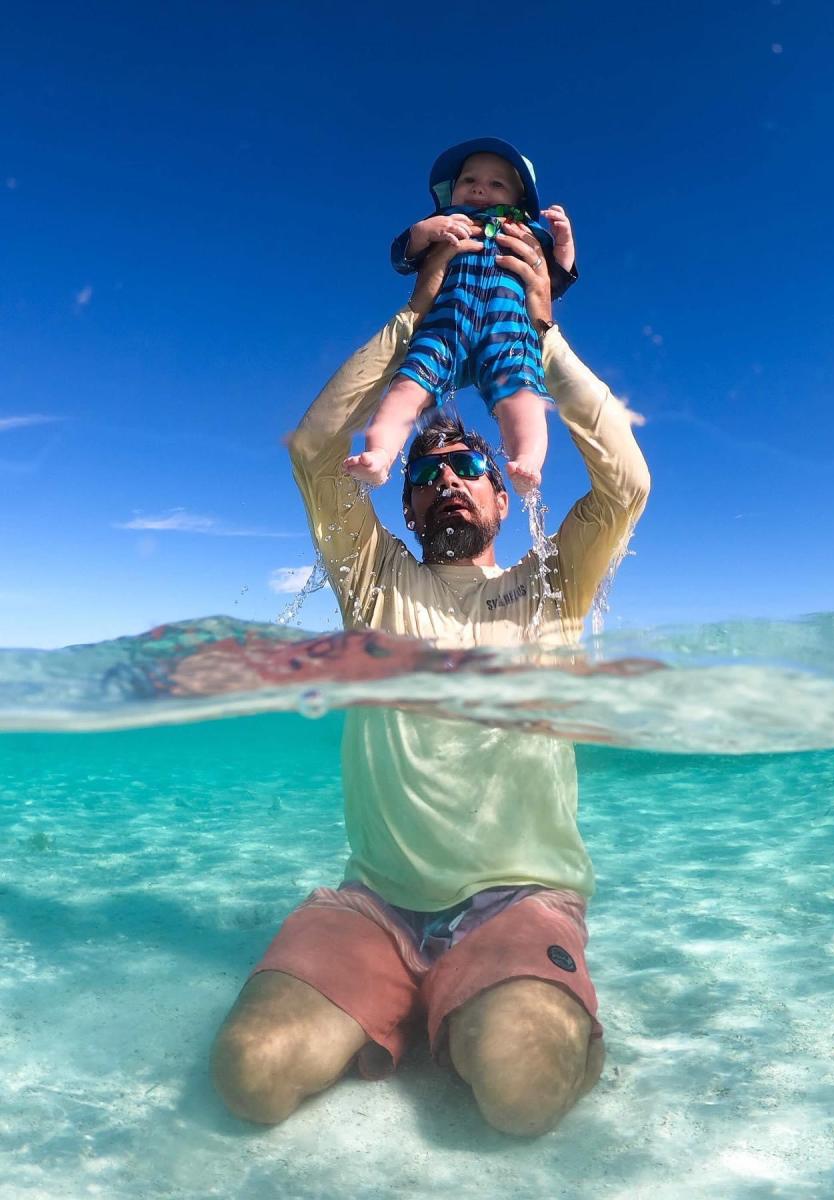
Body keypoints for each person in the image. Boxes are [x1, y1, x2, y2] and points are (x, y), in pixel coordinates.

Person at [210, 226, 651, 1138]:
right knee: (248, 1075)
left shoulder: (554, 580)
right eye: (427, 472)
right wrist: (415, 314)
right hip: (374, 899)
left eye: (468, 466)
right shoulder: (375, 581)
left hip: (520, 896)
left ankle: (466, 1003)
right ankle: (412, 1001)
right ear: (406, 505)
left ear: (501, 494)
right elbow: (314, 447)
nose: (448, 478)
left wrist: (543, 337)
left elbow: (624, 490)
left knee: (524, 1089)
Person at [343, 137, 577, 495]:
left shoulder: (529, 234)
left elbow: (554, 282)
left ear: (519, 200)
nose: (480, 187)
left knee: (523, 397)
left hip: (507, 333)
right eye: (469, 180)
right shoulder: (445, 223)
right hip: (444, 328)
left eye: (497, 184)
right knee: (406, 389)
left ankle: (527, 459)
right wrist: (424, 232)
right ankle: (380, 453)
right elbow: (401, 258)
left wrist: (562, 244)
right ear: (452, 191)